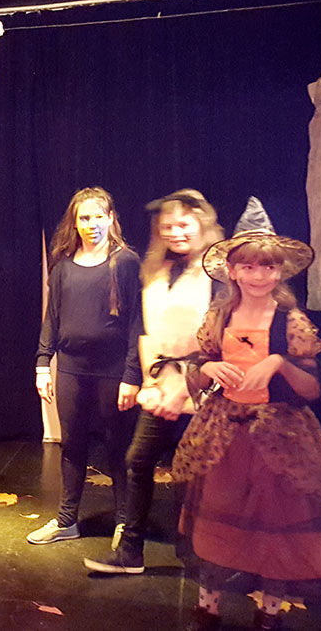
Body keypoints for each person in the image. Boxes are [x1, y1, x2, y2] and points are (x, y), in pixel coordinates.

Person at [173, 197, 321, 630]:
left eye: (268, 267)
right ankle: (208, 607)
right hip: (225, 436)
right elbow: (199, 369)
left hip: (278, 440)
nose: (258, 275)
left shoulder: (291, 322)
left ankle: (269, 613)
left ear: (280, 272)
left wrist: (279, 363)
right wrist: (207, 369)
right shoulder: (220, 316)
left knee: (275, 526)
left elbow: (313, 388)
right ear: (232, 271)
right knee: (217, 524)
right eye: (248, 266)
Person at [84, 189, 223, 574]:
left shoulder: (219, 273)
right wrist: (150, 383)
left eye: (183, 224)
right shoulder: (156, 270)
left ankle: (204, 555)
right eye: (167, 227)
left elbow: (221, 341)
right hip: (161, 385)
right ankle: (131, 552)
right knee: (138, 459)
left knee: (199, 473)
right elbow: (145, 330)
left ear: (202, 223)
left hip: (205, 388)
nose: (175, 233)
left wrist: (183, 388)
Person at [29, 187, 142, 546]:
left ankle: (124, 523)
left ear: (111, 218)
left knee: (118, 447)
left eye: (98, 216)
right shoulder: (63, 266)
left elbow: (137, 323)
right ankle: (66, 520)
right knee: (72, 445)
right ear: (74, 223)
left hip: (113, 371)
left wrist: (131, 375)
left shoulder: (126, 263)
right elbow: (52, 319)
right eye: (84, 218)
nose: (92, 224)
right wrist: (42, 365)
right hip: (72, 370)